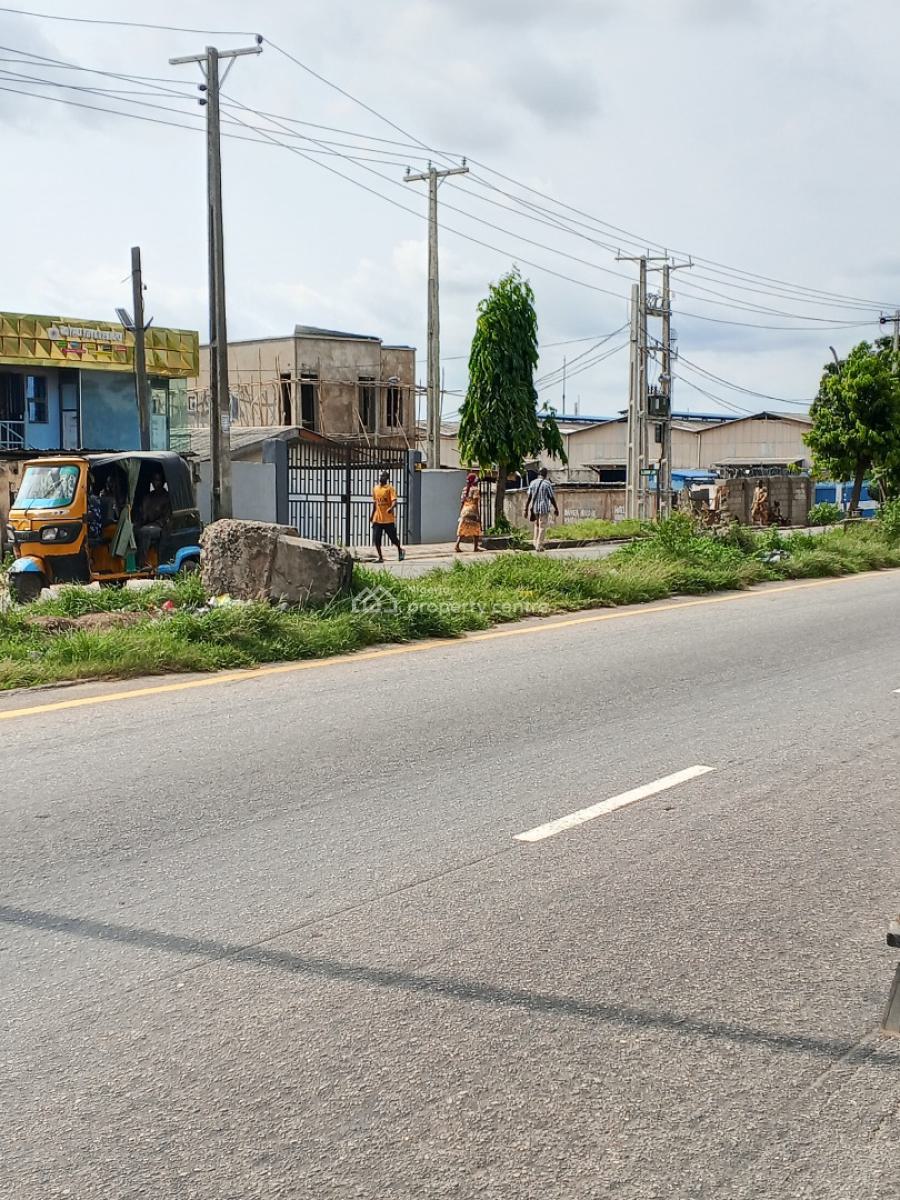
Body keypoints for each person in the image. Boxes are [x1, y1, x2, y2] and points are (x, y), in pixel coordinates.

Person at [135, 468, 172, 567]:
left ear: (162, 482)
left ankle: (142, 563)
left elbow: (166, 517)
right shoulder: (149, 497)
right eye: (154, 480)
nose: (156, 483)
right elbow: (143, 514)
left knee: (145, 532)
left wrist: (155, 523)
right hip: (147, 524)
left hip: (159, 526)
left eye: (158, 480)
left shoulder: (166, 497)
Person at [370, 472, 405, 563]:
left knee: (393, 539)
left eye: (383, 476)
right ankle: (380, 557)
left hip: (388, 520)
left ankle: (400, 550)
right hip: (377, 519)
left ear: (387, 478)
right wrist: (372, 515)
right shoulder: (375, 488)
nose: (381, 477)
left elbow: (394, 501)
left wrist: (391, 508)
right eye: (380, 475)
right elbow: (375, 503)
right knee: (376, 539)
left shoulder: (390, 489)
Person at [524, 468, 559, 552]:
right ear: (545, 474)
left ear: (538, 474)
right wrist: (556, 508)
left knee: (536, 525)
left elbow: (529, 497)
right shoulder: (547, 484)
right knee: (542, 526)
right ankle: (539, 545)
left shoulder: (533, 483)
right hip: (544, 508)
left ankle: (535, 542)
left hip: (535, 507)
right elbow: (551, 497)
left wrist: (526, 509)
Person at [455, 471, 483, 553]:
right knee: (476, 528)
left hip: (464, 510)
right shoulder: (476, 490)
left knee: (463, 528)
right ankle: (475, 548)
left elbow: (462, 502)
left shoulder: (464, 489)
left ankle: (457, 545)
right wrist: (478, 515)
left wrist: (461, 512)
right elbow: (475, 503)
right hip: (472, 510)